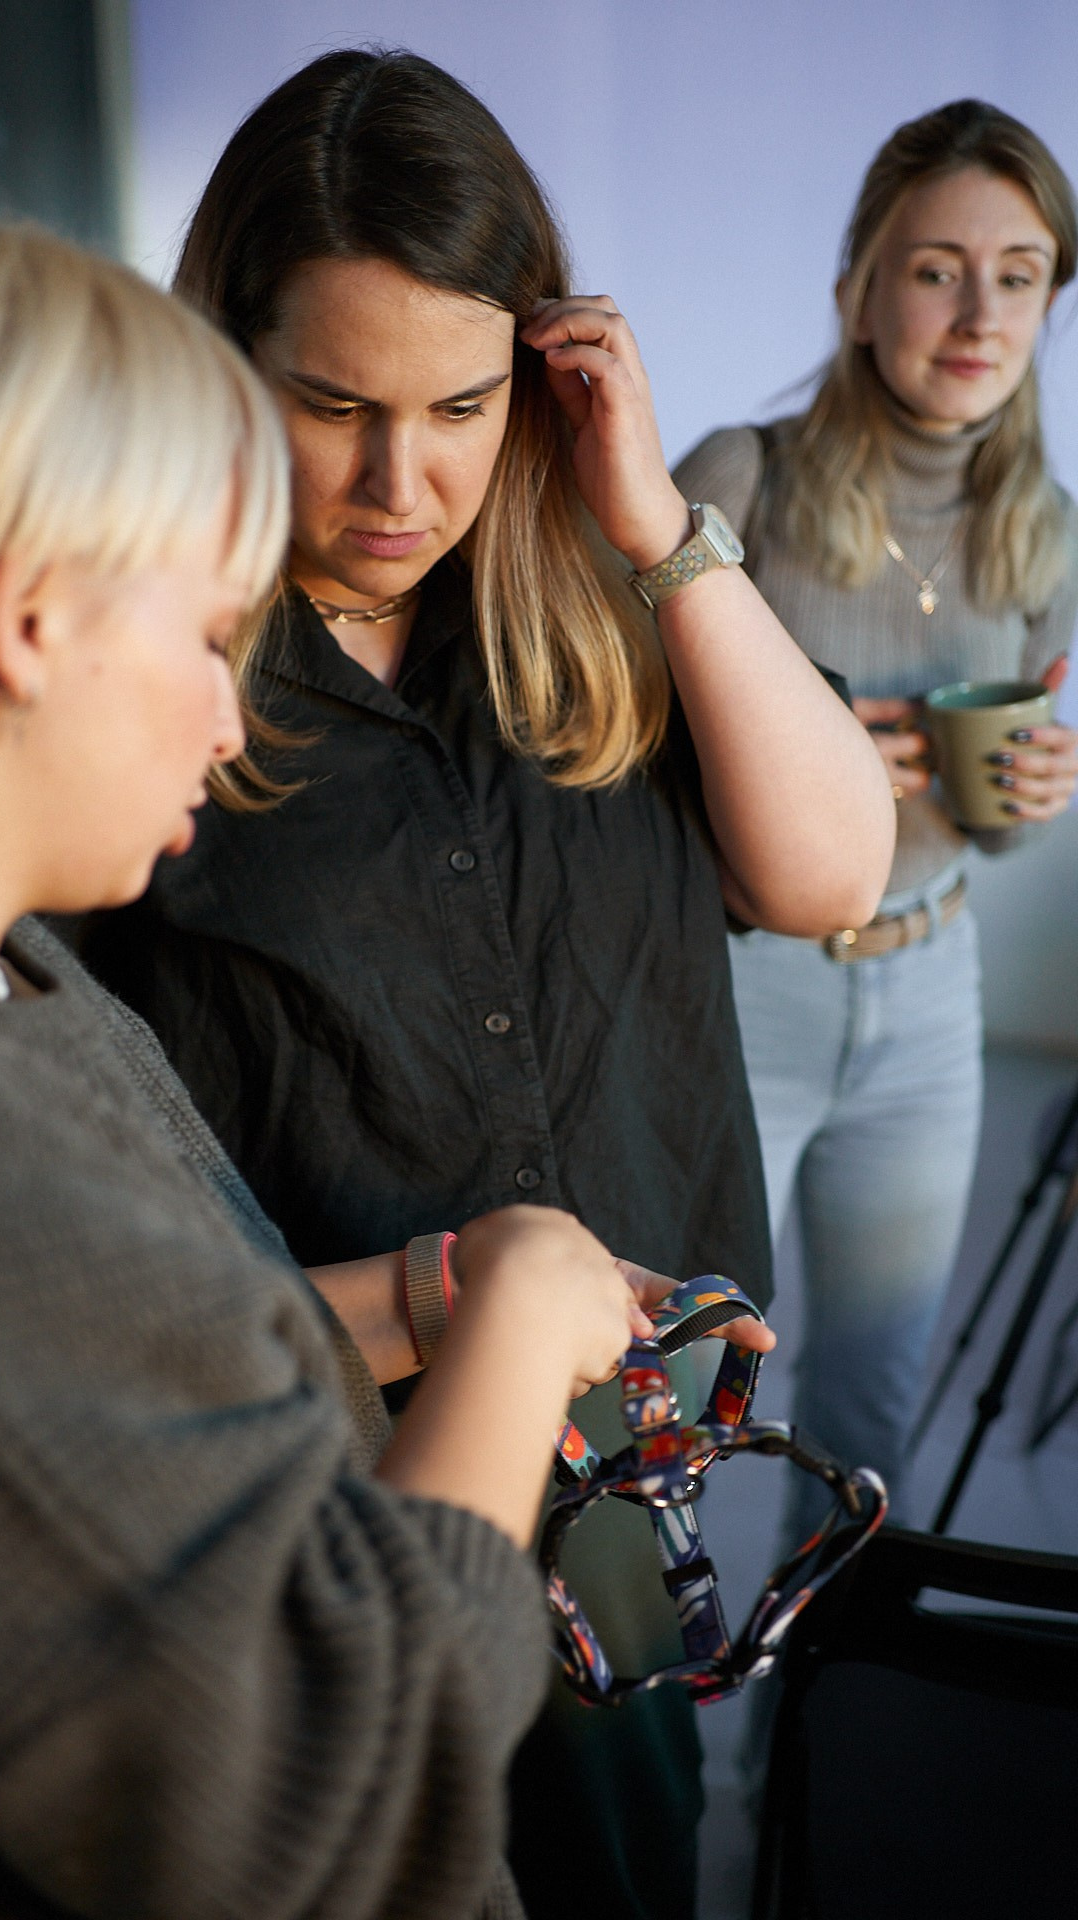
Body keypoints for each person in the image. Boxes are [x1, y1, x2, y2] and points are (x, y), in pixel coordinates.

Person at [0, 208, 776, 1920]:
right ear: (31, 622)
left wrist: (422, 1293)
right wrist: (530, 1314)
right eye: (203, 637)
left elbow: (120, 1352)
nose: (233, 714)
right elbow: (328, 1797)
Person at [79, 48, 895, 1920]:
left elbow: (829, 870)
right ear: (225, 370)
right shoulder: (161, 668)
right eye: (332, 405)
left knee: (618, 1848)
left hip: (614, 1435)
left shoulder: (607, 600)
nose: (401, 481)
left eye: (458, 406)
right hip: (322, 1428)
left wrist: (652, 529)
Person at [673, 98, 1078, 1561]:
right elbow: (604, 765)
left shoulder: (1048, 534)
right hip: (738, 988)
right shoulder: (741, 484)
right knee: (667, 1394)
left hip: (928, 993)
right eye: (935, 269)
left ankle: (821, 1779)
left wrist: (1026, 805)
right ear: (856, 288)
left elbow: (985, 829)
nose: (980, 313)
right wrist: (801, 757)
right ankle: (635, 1739)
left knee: (871, 1421)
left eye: (1020, 273)